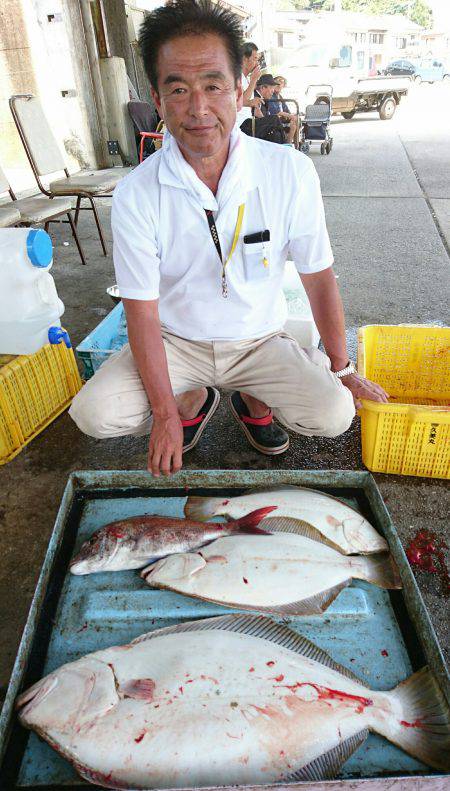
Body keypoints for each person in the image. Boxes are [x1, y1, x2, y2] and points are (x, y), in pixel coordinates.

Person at [69, 0, 388, 478]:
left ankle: (251, 397)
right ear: (157, 100)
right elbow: (140, 309)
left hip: (258, 341)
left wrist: (342, 368)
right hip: (176, 342)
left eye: (213, 85)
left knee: (333, 413)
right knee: (93, 413)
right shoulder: (137, 192)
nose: (197, 109)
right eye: (178, 89)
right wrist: (162, 415)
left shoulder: (290, 171)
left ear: (240, 88)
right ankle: (189, 398)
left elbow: (318, 276)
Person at [236, 42, 262, 129]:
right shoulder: (237, 76)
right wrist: (254, 80)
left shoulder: (246, 78)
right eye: (255, 59)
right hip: (241, 124)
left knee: (274, 124)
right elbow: (242, 101)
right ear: (245, 59)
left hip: (249, 121)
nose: (257, 63)